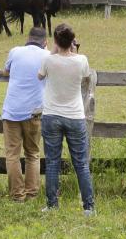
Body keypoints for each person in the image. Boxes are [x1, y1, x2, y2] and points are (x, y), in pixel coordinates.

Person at [38, 23, 94, 216]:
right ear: (72, 41)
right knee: (81, 163)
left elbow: (40, 76)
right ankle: (88, 207)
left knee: (52, 162)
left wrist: (54, 50)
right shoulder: (81, 60)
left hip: (52, 114)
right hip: (74, 115)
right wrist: (73, 49)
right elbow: (86, 76)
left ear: (55, 41)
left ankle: (52, 204)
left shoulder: (49, 60)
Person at [1, 27, 49, 202]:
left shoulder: (15, 51)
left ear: (28, 38)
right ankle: (31, 193)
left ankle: (17, 194)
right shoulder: (47, 56)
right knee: (33, 154)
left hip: (12, 110)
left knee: (12, 155)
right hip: (34, 112)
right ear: (45, 42)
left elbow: (5, 71)